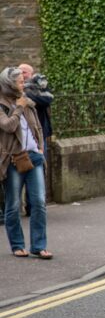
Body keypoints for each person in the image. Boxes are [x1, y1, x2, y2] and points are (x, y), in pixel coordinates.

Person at [0, 66, 51, 259]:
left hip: (34, 156)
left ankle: (39, 246)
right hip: (13, 158)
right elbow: (8, 126)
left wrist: (39, 146)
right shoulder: (2, 104)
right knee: (13, 205)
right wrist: (19, 107)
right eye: (21, 81)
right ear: (9, 83)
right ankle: (17, 245)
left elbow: (36, 125)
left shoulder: (28, 101)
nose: (24, 84)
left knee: (39, 201)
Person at [19, 63, 53, 217]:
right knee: (20, 170)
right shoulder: (14, 90)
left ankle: (35, 206)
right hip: (20, 137)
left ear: (31, 73)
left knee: (38, 169)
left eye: (24, 72)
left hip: (39, 135)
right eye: (19, 72)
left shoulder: (40, 88)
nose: (22, 74)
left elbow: (47, 99)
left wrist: (27, 94)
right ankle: (22, 206)